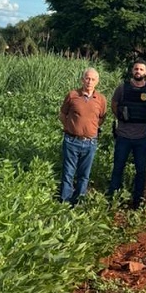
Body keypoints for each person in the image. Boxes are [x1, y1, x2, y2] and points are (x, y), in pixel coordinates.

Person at [107, 58, 146, 209]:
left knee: (141, 171)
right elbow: (114, 105)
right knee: (118, 168)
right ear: (132, 70)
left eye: (141, 69)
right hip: (123, 136)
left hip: (141, 138)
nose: (138, 71)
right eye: (136, 69)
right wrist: (121, 118)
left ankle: (138, 201)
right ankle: (113, 199)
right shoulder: (122, 88)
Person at [58, 67, 107, 205]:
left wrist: (90, 128)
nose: (89, 82)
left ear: (97, 81)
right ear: (82, 80)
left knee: (84, 175)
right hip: (71, 140)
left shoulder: (101, 99)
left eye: (93, 79)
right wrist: (71, 126)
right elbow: (62, 115)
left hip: (90, 142)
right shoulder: (72, 95)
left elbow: (102, 118)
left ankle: (79, 202)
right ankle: (65, 202)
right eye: (87, 78)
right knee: (68, 173)